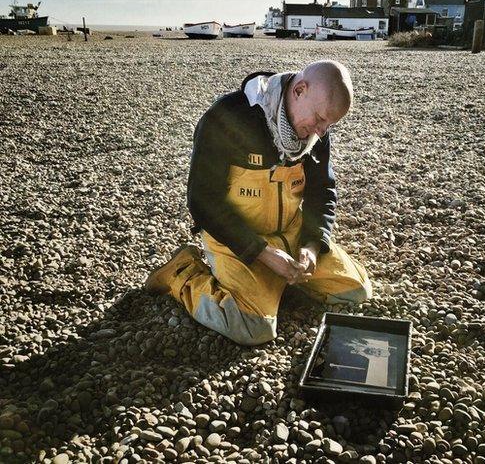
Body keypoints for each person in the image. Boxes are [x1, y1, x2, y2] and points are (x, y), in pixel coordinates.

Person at [145, 60, 372, 346]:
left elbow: (322, 191)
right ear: (299, 90)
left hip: (291, 234)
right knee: (253, 327)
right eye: (320, 118)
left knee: (355, 290)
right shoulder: (228, 117)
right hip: (237, 241)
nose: (322, 131)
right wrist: (263, 253)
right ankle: (182, 273)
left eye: (329, 124)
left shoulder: (315, 134)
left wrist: (312, 247)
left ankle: (275, 283)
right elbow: (202, 201)